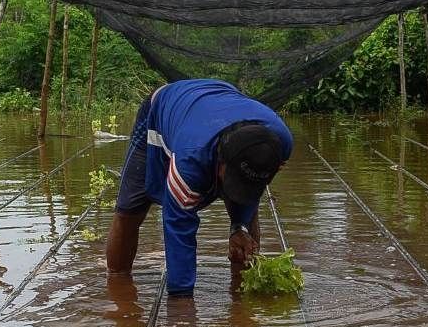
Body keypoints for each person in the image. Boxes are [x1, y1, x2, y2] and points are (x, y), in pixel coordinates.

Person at [104, 78, 293, 297]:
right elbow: (179, 234)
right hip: (161, 111)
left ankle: (241, 294)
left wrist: (239, 227)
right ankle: (117, 287)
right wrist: (182, 311)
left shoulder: (279, 143)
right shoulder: (189, 161)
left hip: (217, 101)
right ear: (219, 162)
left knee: (247, 219)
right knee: (130, 210)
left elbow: (252, 187)